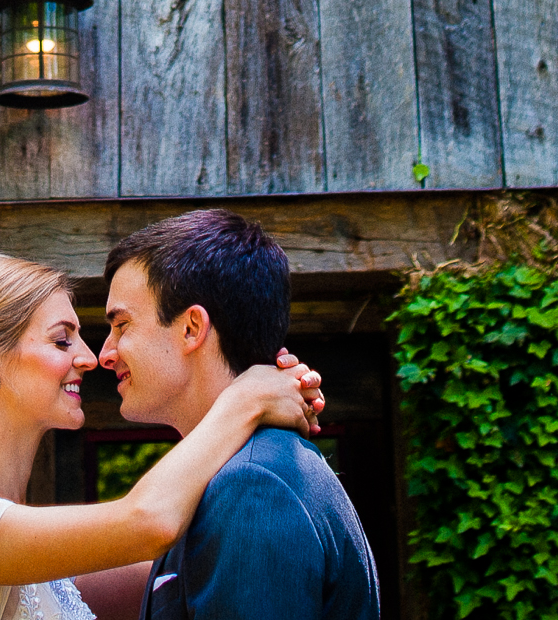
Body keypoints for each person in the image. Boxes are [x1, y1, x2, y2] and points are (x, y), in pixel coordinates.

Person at [0, 251, 325, 620]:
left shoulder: (45, 562)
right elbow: (149, 523)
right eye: (62, 340)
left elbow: (200, 563)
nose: (89, 357)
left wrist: (267, 385)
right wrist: (246, 398)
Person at [97, 210, 378, 620]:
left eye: (122, 325)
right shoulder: (231, 475)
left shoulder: (252, 485)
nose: (104, 354)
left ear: (192, 328)